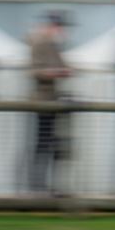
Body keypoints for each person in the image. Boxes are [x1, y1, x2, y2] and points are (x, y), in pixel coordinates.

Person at [28, 12, 73, 196]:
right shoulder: (39, 43)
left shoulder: (54, 45)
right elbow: (34, 71)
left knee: (51, 143)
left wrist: (63, 70)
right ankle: (37, 185)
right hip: (43, 101)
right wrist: (54, 72)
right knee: (42, 143)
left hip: (53, 100)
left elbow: (65, 67)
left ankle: (47, 184)